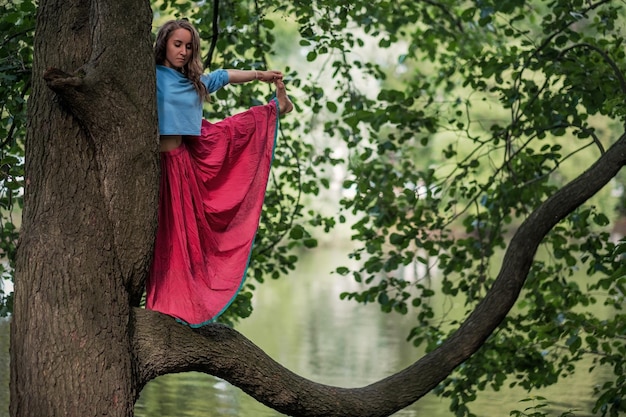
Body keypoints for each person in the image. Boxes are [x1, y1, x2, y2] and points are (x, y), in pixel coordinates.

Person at [147, 19, 293, 328]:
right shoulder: (149, 74)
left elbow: (224, 76)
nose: (184, 52)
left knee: (180, 238)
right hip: (153, 166)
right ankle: (162, 301)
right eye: (178, 44)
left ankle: (276, 107)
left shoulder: (194, 82)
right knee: (161, 237)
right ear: (163, 44)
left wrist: (261, 75)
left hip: (179, 163)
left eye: (189, 46)